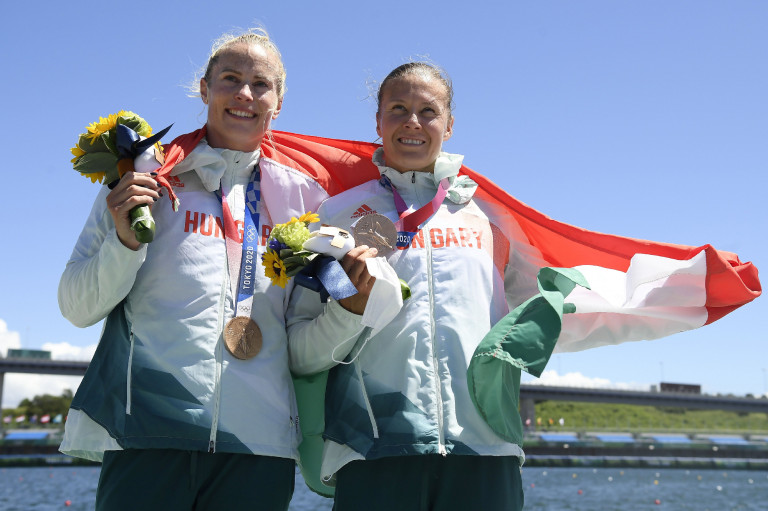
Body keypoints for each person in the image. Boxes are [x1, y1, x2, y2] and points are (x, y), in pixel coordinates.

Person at [59, 28, 330, 510]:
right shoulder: (143, 179)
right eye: (230, 78)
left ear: (279, 103)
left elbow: (306, 328)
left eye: (260, 83)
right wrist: (123, 240)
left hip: (258, 447)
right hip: (147, 435)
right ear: (204, 89)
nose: (244, 93)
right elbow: (76, 306)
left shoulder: (306, 200)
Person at [286, 62, 536, 510]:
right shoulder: (335, 218)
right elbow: (300, 353)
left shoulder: (494, 219)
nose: (413, 122)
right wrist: (349, 309)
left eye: (428, 111)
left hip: (486, 450)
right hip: (373, 451)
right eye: (398, 108)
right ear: (378, 122)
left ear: (450, 124)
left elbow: (537, 317)